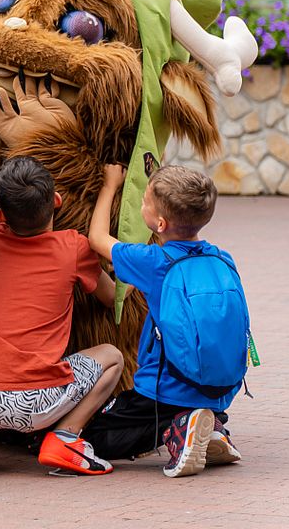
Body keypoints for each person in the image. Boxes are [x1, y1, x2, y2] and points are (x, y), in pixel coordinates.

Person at [0, 156, 124, 476]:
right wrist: (110, 187)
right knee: (113, 357)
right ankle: (66, 437)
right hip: (41, 403)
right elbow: (108, 297)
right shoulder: (74, 247)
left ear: (1, 216)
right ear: (58, 201)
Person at [87, 164, 245, 478]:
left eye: (144, 202)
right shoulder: (222, 258)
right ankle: (212, 426)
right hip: (217, 389)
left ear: (159, 222)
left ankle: (179, 429)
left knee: (91, 438)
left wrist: (109, 186)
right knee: (190, 405)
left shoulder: (154, 262)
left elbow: (97, 239)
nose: (141, 205)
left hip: (162, 390)